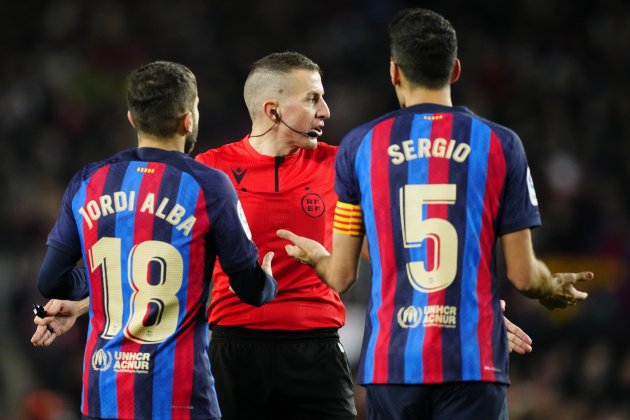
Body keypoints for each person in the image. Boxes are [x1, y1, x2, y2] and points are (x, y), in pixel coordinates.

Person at [32, 52, 533, 419]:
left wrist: (468, 310)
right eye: (313, 98)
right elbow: (151, 263)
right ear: (273, 109)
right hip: (229, 351)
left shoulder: (345, 163)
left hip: (315, 348)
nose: (327, 110)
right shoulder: (205, 173)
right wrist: (80, 307)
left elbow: (409, 242)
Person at [277, 9, 593, 420]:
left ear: (394, 72)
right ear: (456, 69)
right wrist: (550, 288)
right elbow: (523, 275)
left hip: (392, 364)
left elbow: (340, 275)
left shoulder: (360, 147)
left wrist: (314, 256)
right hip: (473, 362)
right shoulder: (501, 144)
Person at [31, 60, 277, 419]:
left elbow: (50, 280)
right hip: (179, 398)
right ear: (187, 119)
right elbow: (251, 289)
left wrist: (92, 288)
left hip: (104, 395)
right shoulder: (210, 186)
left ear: (132, 119)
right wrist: (267, 280)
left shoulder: (88, 181)